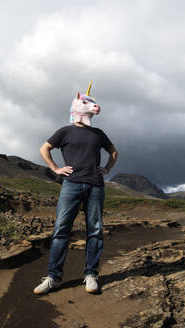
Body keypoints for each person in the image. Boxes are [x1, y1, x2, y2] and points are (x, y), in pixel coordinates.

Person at [34, 83, 118, 295]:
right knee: (62, 228)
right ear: (77, 106)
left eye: (94, 103)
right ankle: (53, 278)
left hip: (95, 186)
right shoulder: (65, 131)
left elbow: (114, 152)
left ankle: (90, 275)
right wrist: (55, 169)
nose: (94, 106)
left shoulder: (98, 133)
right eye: (87, 102)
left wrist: (106, 168)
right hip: (71, 185)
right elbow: (44, 148)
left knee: (95, 230)